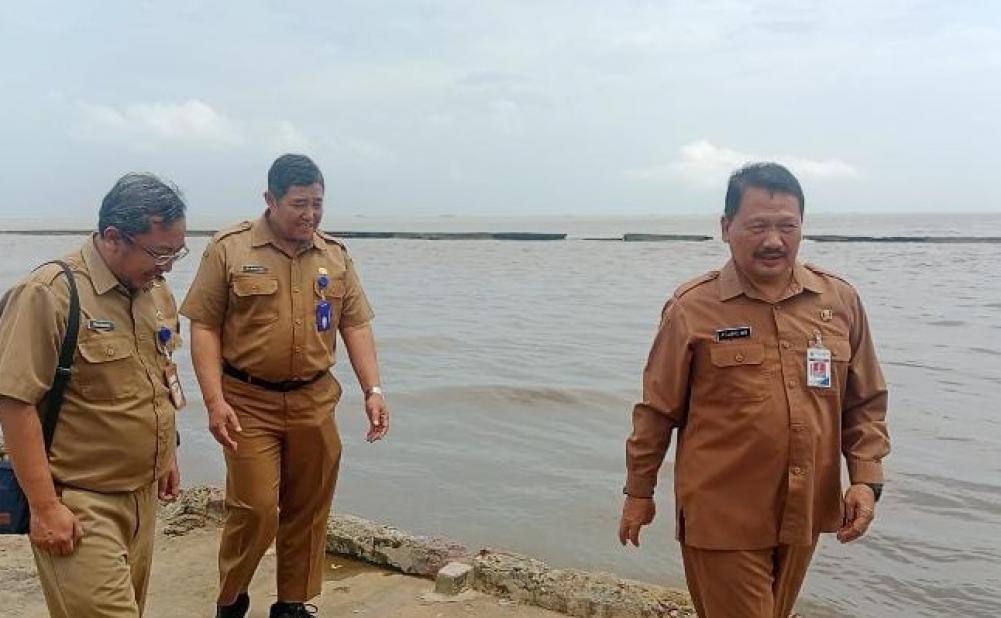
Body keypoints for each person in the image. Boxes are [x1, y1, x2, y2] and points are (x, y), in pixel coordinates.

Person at [618, 162, 891, 618]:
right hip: (722, 514)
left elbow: (864, 402)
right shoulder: (692, 309)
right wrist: (638, 493)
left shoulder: (838, 301)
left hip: (804, 511)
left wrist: (866, 479)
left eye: (788, 226)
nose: (773, 240)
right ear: (726, 228)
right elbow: (656, 411)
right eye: (757, 226)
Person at [181, 154, 389, 618]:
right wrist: (214, 402)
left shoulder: (334, 255)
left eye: (317, 204)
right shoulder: (230, 249)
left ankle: (292, 603)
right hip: (248, 401)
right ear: (270, 199)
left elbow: (355, 325)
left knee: (309, 508)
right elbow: (204, 327)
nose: (310, 215)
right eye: (298, 204)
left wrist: (373, 391)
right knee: (254, 509)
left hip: (315, 400)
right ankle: (231, 598)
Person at [0, 173, 188, 617]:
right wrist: (46, 508)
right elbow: (14, 401)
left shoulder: (155, 291)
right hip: (80, 501)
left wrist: (167, 454)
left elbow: (159, 375)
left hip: (142, 499)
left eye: (177, 252)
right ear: (112, 237)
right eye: (160, 252)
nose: (168, 265)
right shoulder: (48, 293)